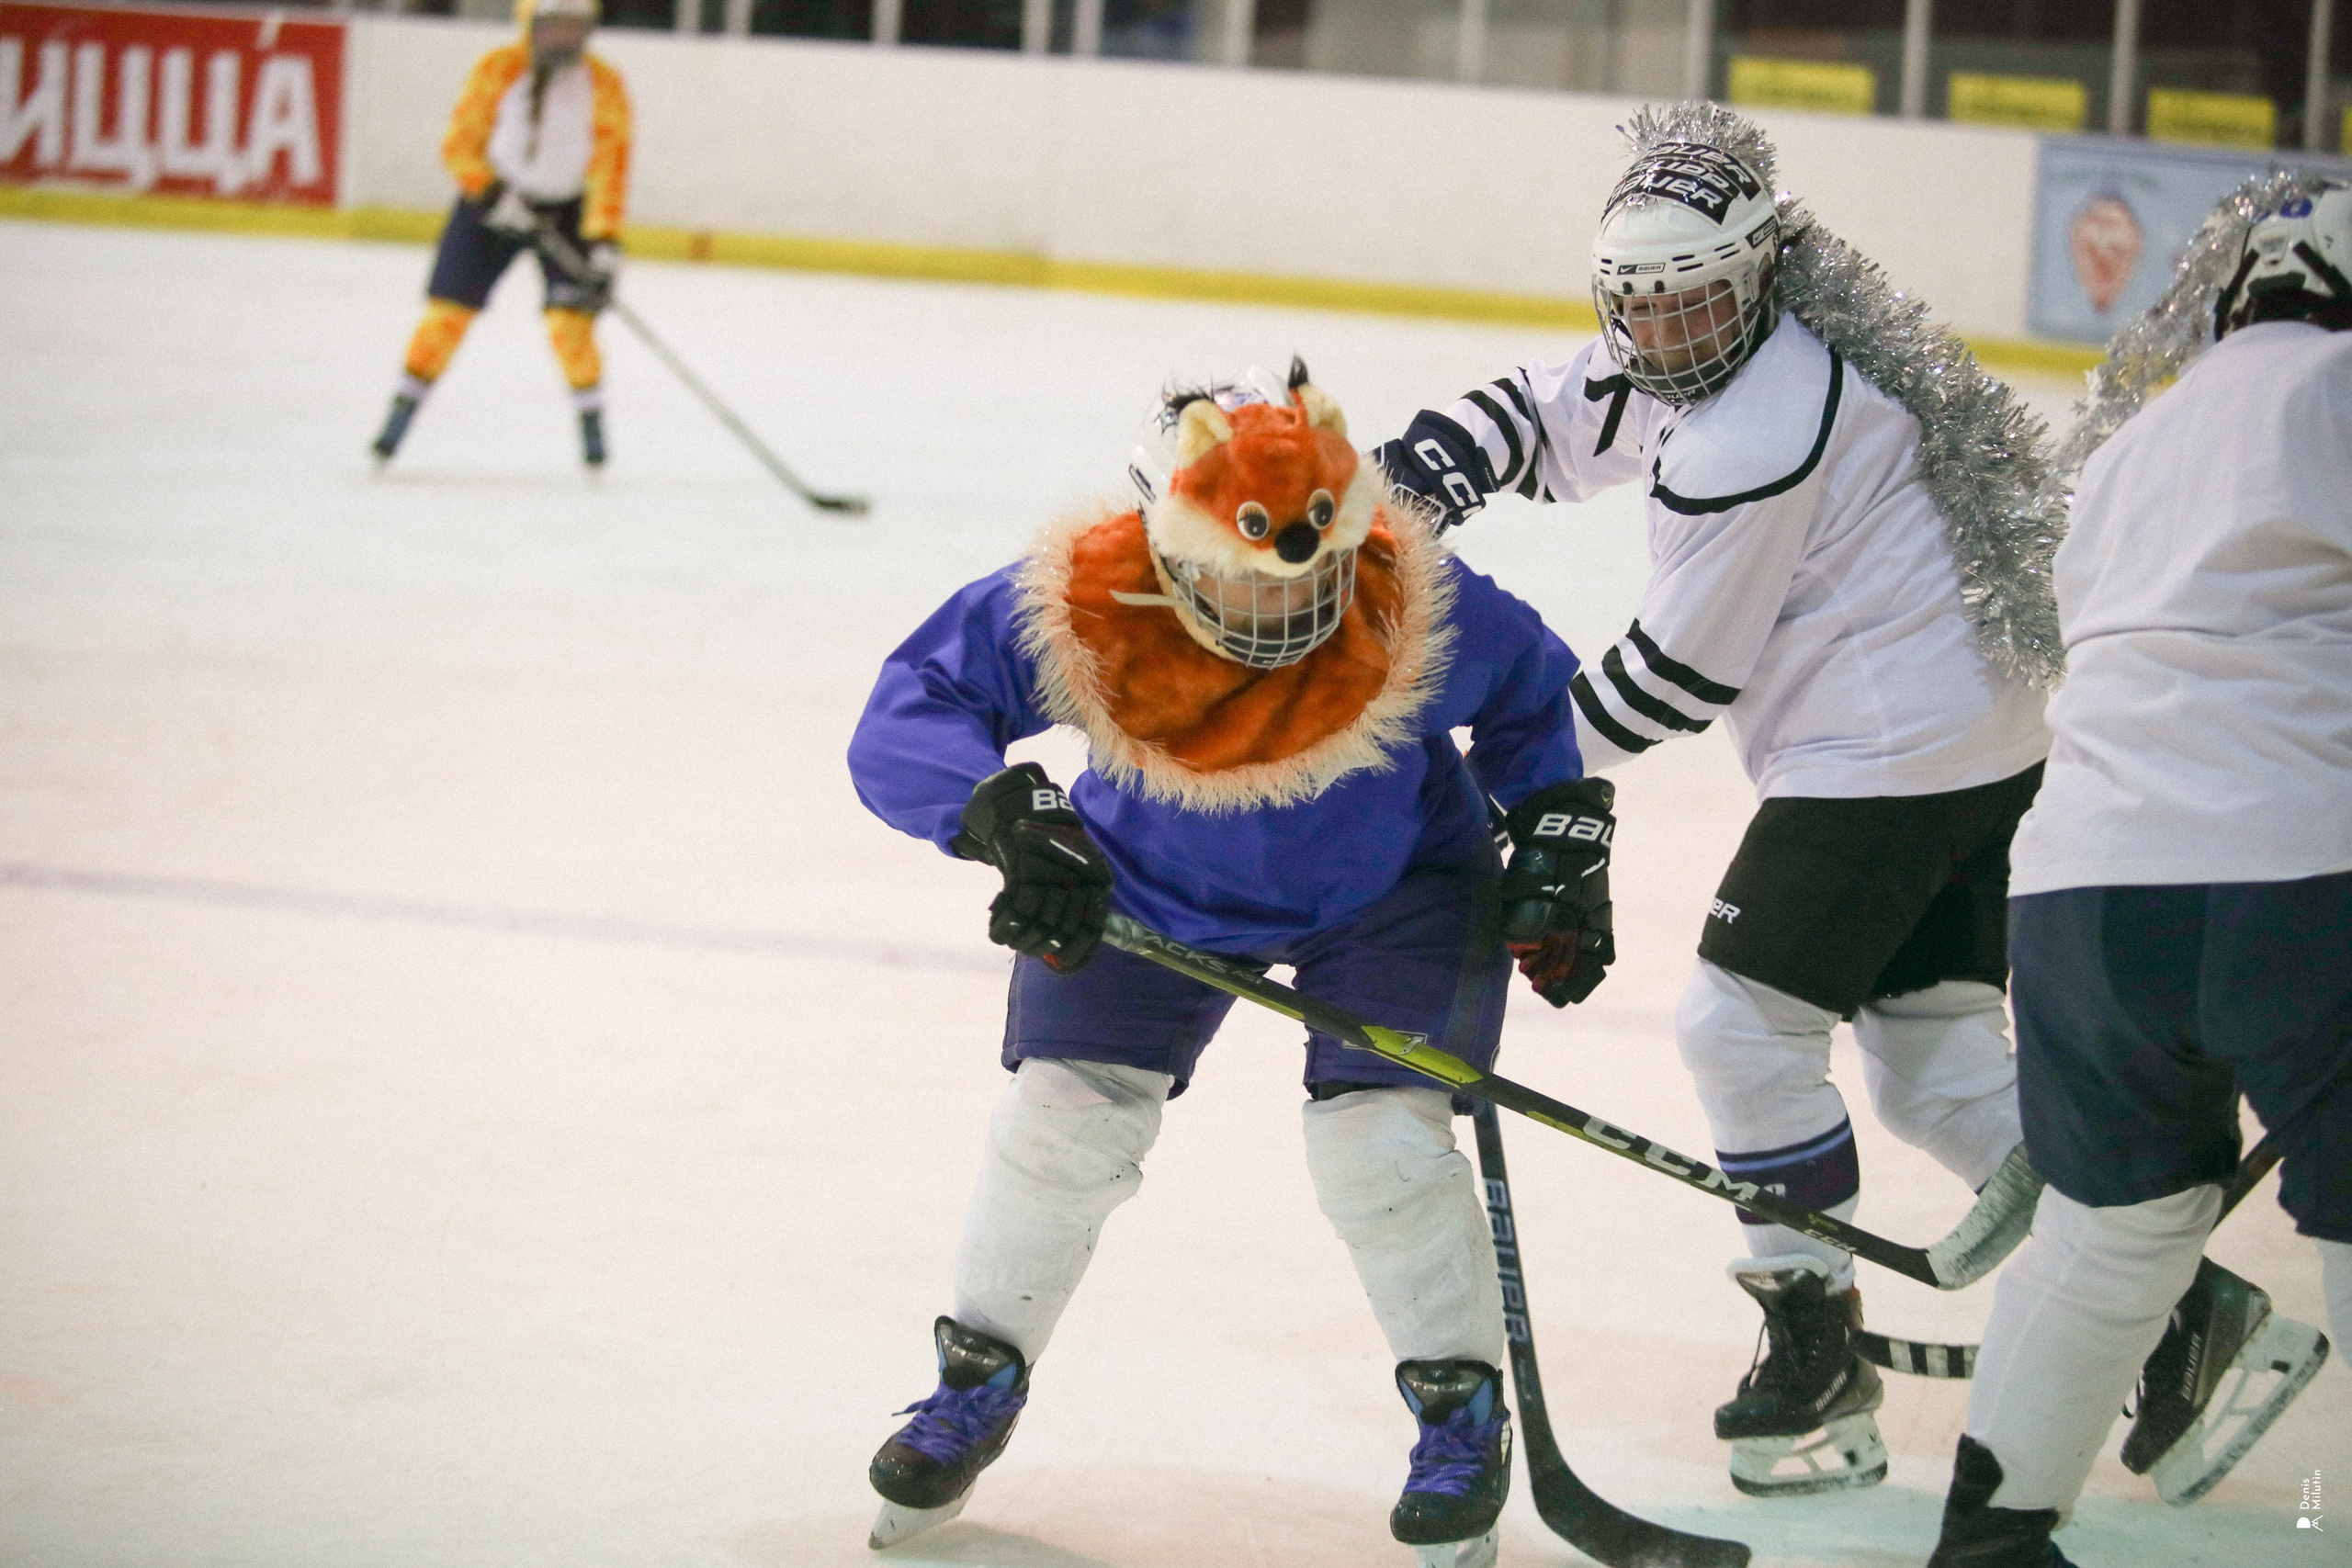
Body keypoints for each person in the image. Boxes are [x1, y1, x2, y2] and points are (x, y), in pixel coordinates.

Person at [1374, 107, 2054, 1498]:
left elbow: (1672, 673)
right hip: (1974, 742)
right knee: (1930, 1061)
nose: (1666, 332)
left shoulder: (1766, 421)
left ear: (1759, 275)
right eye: (1642, 305)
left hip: (1891, 761)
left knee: (1738, 1022)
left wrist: (1479, 787)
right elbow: (1563, 412)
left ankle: (1816, 1347)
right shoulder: (1737, 344)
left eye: (1696, 302)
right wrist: (1418, 472)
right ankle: (2177, 1303)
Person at [845, 362, 1615, 1568]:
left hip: (1396, 886)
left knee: (1383, 1147)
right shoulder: (1086, 595)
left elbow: (1528, 696)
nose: (1277, 604)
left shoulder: (1410, 592)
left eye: (1308, 568)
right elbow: (913, 705)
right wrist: (999, 810)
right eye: (1237, 570)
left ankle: (1459, 1411)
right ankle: (975, 1378)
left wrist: (1560, 835)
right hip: (1157, 879)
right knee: (1061, 1119)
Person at [1921, 179, 2351, 1568]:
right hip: (2294, 872)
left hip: (2083, 891)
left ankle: (1991, 1538)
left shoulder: (2140, 439)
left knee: (2115, 1229)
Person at [368, 0, 630, 469]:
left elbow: (610, 166)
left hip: (565, 213)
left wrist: (605, 240)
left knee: (571, 325)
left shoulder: (605, 84)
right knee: (446, 315)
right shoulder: (498, 69)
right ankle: (399, 418)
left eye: (576, 27)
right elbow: (459, 145)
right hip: (490, 207)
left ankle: (592, 426)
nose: (565, 38)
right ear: (530, 23)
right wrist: (490, 194)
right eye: (555, 26)